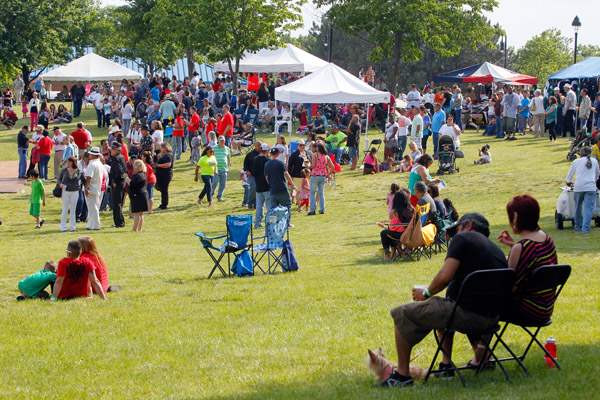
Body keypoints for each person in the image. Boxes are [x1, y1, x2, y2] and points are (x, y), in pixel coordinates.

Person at [382, 213, 507, 387]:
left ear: (468, 225)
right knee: (443, 305)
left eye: (457, 228)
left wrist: (426, 293)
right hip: (490, 319)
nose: (456, 232)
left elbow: (444, 276)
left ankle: (402, 376)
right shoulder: (496, 251)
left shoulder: (463, 238)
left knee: (401, 313)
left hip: (466, 316)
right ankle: (446, 364)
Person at [497, 195, 558, 325]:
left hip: (526, 310)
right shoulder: (547, 239)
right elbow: (533, 261)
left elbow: (510, 286)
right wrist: (513, 245)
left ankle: (480, 345)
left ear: (515, 217)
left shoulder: (522, 247)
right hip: (545, 309)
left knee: (479, 304)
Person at [565, 146, 600, 233]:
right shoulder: (595, 161)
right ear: (590, 153)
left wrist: (569, 182)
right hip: (591, 187)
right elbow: (597, 175)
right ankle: (585, 229)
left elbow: (568, 177)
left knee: (578, 208)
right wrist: (593, 181)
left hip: (579, 187)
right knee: (588, 209)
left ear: (580, 153)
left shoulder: (576, 161)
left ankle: (578, 227)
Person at [378, 189, 414, 260]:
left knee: (384, 233)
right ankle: (399, 251)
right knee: (390, 234)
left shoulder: (394, 212)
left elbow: (392, 227)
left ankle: (387, 252)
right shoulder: (411, 209)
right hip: (411, 233)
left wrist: (384, 226)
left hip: (401, 235)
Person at [265, 147, 296, 225]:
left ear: (271, 154)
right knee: (287, 205)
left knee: (273, 208)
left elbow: (266, 178)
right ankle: (287, 223)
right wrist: (292, 184)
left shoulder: (267, 164)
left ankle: (273, 223)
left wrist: (271, 184)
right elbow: (286, 174)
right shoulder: (280, 163)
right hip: (282, 188)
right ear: (278, 154)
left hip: (273, 189)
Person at [308, 142, 335, 215]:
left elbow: (313, 166)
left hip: (314, 175)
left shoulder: (315, 155)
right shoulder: (326, 156)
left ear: (318, 148)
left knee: (312, 193)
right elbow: (332, 167)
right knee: (321, 193)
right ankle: (322, 209)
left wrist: (308, 166)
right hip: (323, 176)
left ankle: (312, 210)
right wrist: (327, 174)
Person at [107, 142, 128, 228]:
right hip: (121, 182)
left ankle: (119, 222)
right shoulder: (121, 157)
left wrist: (114, 181)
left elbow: (119, 171)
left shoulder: (116, 159)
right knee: (117, 203)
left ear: (116, 150)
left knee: (116, 204)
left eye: (112, 149)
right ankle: (119, 221)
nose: (111, 150)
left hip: (117, 183)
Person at [84, 147, 104, 230]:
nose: (89, 155)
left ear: (93, 155)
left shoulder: (92, 164)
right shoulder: (99, 163)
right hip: (97, 187)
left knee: (93, 207)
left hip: (92, 187)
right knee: (93, 207)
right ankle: (91, 224)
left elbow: (89, 177)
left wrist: (86, 188)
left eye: (90, 154)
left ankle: (96, 225)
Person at [59, 157, 81, 232]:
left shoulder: (78, 171)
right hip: (65, 191)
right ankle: (63, 227)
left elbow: (81, 179)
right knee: (65, 209)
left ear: (73, 162)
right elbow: (59, 179)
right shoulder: (64, 170)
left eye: (69, 162)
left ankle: (72, 227)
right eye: (67, 162)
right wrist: (60, 184)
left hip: (75, 191)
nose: (67, 163)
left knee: (73, 209)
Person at [253, 143, 271, 228]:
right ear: (266, 151)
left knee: (259, 207)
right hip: (267, 187)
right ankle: (268, 223)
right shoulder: (267, 161)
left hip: (258, 186)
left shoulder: (255, 159)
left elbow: (254, 172)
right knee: (268, 207)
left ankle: (257, 223)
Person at [129, 159, 149, 231]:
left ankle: (134, 229)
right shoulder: (143, 174)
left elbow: (133, 185)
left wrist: (128, 180)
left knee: (137, 214)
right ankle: (139, 229)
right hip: (143, 195)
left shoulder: (137, 176)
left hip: (137, 195)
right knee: (141, 214)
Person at [155, 143, 174, 210]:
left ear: (165, 148)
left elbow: (168, 164)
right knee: (161, 189)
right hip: (161, 174)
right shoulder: (162, 155)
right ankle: (163, 203)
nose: (161, 149)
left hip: (166, 174)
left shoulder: (168, 155)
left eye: (162, 147)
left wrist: (158, 165)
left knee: (164, 190)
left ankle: (164, 204)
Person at [243, 141, 261, 208]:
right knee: (253, 188)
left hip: (260, 176)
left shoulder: (263, 154)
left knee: (259, 190)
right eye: (258, 146)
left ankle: (256, 204)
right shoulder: (250, 155)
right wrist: (247, 171)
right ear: (255, 146)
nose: (259, 147)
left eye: (260, 146)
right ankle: (250, 203)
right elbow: (245, 164)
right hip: (251, 175)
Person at [213, 135, 231, 201]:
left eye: (223, 141)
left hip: (224, 169)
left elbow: (228, 158)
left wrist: (228, 165)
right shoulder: (214, 148)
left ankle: (219, 196)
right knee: (215, 182)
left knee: (223, 184)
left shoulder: (227, 148)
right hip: (216, 169)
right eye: (221, 141)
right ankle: (211, 194)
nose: (222, 142)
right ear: (218, 141)